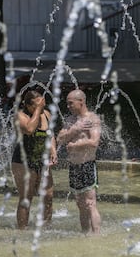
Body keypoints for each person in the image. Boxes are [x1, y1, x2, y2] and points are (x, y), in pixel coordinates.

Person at [57, 89, 102, 235]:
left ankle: (96, 236)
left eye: (71, 103)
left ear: (81, 102)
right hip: (74, 166)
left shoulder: (92, 119)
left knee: (90, 203)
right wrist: (74, 130)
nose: (68, 106)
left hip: (87, 164)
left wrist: (75, 145)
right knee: (80, 204)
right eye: (67, 104)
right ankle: (85, 235)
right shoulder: (70, 121)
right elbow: (59, 139)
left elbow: (94, 142)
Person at [11, 90, 57, 230]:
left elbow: (51, 134)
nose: (42, 108)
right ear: (29, 106)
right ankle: (22, 231)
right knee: (27, 197)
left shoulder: (46, 114)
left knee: (48, 195)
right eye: (38, 105)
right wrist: (38, 110)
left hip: (41, 161)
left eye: (42, 105)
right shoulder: (20, 116)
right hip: (23, 162)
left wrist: (53, 150)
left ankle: (45, 228)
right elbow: (30, 129)